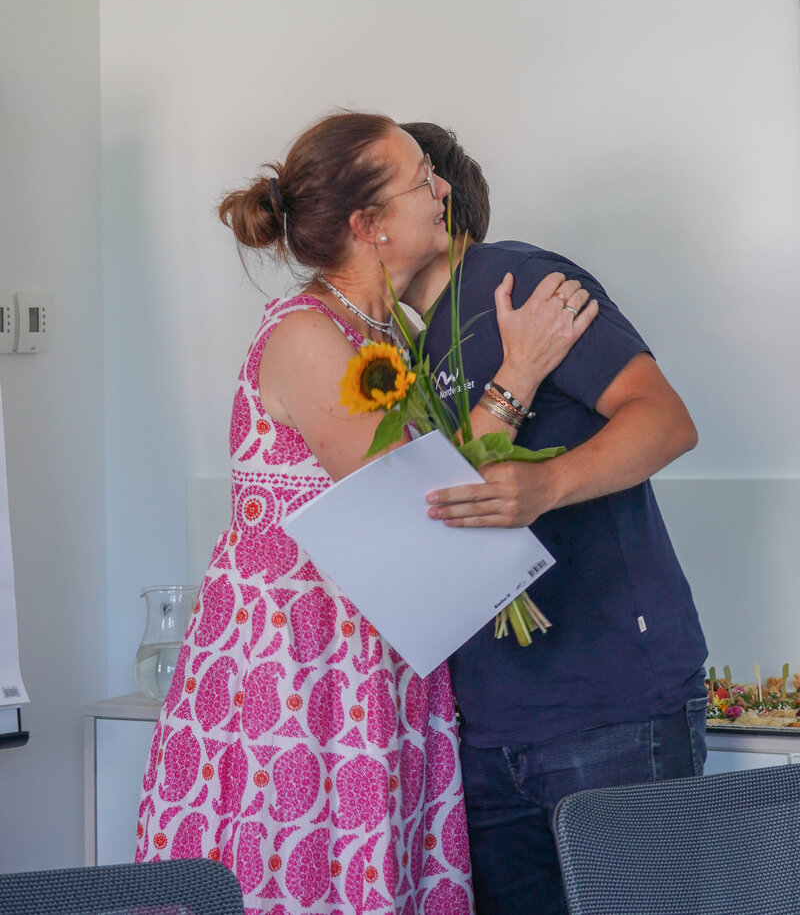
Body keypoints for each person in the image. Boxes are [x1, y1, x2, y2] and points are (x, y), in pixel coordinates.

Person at [135, 112, 597, 915]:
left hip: (373, 674)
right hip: (297, 684)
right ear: (368, 225)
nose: (443, 188)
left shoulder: (389, 336)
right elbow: (422, 514)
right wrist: (519, 371)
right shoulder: (306, 337)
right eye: (422, 179)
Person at [399, 121, 708, 915]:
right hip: (488, 728)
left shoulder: (519, 282)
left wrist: (547, 485)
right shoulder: (404, 353)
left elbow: (666, 421)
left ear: (437, 193)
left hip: (611, 710)